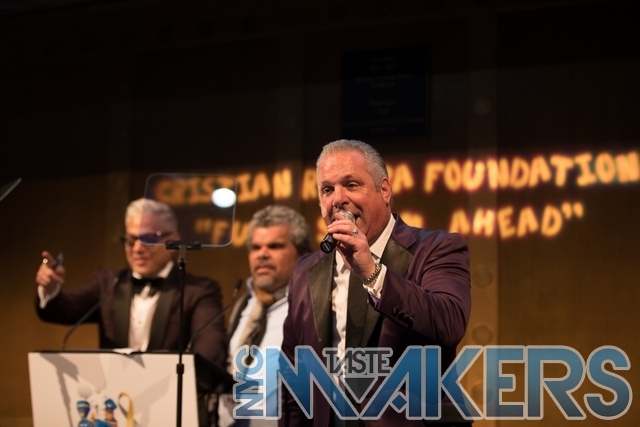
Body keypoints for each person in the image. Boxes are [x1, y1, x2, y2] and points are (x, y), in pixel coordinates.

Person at [280, 140, 472, 426]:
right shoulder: (306, 270)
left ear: (384, 190)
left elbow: (449, 323)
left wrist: (372, 272)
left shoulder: (436, 248)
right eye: (327, 190)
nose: (338, 199)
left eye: (351, 185)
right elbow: (293, 371)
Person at [34, 197, 227, 427]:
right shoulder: (108, 283)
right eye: (130, 240)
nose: (137, 249)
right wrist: (50, 289)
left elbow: (209, 352)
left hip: (171, 410)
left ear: (174, 240)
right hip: (114, 410)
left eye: (148, 239)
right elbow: (61, 311)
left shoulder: (198, 290)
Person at [218, 204, 312, 427]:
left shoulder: (310, 306)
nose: (262, 254)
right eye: (255, 247)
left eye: (275, 246)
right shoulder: (244, 304)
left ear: (303, 255)